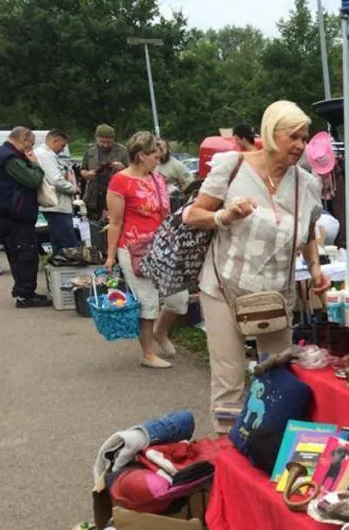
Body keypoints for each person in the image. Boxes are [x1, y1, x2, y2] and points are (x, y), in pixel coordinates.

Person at [184, 100, 330, 430]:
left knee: (276, 378)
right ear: (270, 132)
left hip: (275, 295)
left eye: (304, 138)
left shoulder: (307, 184)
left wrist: (315, 268)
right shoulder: (232, 167)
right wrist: (225, 215)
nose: (300, 145)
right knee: (229, 378)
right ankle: (226, 445)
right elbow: (193, 215)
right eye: (293, 136)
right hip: (224, 287)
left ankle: (267, 444)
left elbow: (308, 233)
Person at [105, 131, 189, 369]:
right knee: (147, 302)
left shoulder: (158, 178)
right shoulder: (120, 181)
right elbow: (115, 222)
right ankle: (148, 353)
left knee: (179, 299)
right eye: (155, 156)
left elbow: (165, 214)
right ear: (142, 155)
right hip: (134, 250)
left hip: (162, 247)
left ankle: (161, 332)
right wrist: (110, 257)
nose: (158, 160)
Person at [0, 126, 49, 307]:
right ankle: (25, 295)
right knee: (26, 255)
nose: (30, 148)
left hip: (4, 214)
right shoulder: (10, 158)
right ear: (23, 139)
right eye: (30, 144)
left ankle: (22, 290)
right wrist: (35, 164)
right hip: (16, 215)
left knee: (15, 254)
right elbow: (33, 180)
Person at [35, 129, 82, 256]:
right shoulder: (44, 155)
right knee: (69, 245)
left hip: (60, 205)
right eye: (62, 145)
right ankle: (72, 266)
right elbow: (56, 180)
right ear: (54, 140)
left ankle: (60, 265)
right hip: (56, 206)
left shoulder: (50, 155)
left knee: (59, 244)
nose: (62, 149)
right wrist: (73, 188)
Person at [81, 124, 129, 221]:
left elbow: (133, 172)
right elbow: (83, 169)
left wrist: (123, 169)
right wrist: (87, 174)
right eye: (102, 142)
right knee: (93, 224)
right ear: (96, 138)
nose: (105, 145)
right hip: (93, 195)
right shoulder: (90, 150)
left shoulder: (122, 151)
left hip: (115, 194)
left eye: (109, 142)